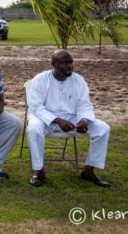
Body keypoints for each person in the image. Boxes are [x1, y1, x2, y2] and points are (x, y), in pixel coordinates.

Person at [26, 50, 111, 187]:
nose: (69, 66)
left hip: (71, 118)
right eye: (64, 63)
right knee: (34, 128)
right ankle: (39, 171)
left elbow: (84, 104)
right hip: (44, 118)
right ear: (53, 64)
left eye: (70, 62)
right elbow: (35, 107)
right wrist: (58, 120)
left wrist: (83, 120)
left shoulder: (79, 80)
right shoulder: (40, 79)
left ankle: (88, 171)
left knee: (103, 128)